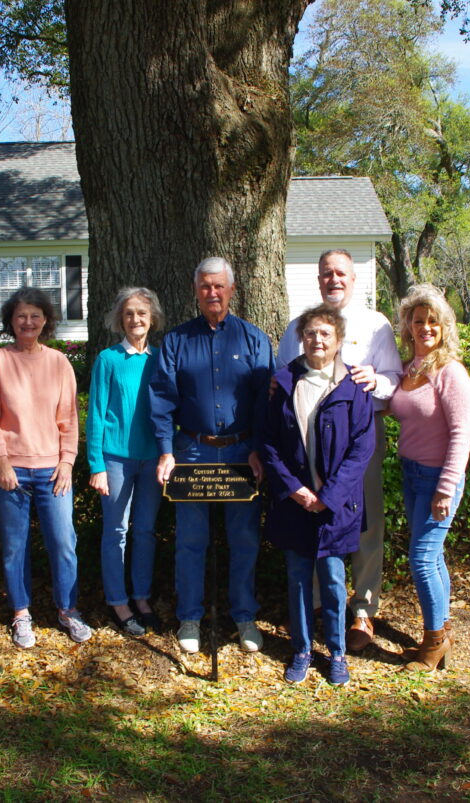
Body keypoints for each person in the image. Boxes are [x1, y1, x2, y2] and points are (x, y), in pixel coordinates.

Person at [276, 249, 401, 651]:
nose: (334, 279)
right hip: (309, 438)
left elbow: (395, 380)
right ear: (318, 280)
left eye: (341, 273)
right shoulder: (298, 327)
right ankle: (315, 603)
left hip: (361, 438)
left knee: (366, 521)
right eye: (327, 273)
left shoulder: (375, 325)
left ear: (353, 278)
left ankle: (363, 609)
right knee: (312, 515)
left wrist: (376, 380)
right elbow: (282, 380)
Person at [150, 257, 274, 654]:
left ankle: (244, 616)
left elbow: (265, 403)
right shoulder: (176, 341)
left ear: (232, 289)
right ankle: (189, 616)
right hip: (191, 451)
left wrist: (258, 449)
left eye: (219, 286)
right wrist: (165, 451)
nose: (212, 293)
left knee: (244, 539)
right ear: (196, 291)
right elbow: (162, 399)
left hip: (241, 452)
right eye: (205, 286)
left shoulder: (254, 340)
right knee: (191, 540)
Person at [261, 305, 375, 685]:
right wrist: (294, 489)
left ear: (339, 340)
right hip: (295, 504)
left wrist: (330, 494)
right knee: (297, 579)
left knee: (332, 579)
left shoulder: (353, 387)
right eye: (310, 333)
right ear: (301, 338)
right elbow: (269, 443)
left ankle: (337, 653)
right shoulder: (283, 383)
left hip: (335, 506)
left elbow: (362, 447)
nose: (317, 340)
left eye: (325, 333)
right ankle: (302, 650)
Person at [0, 287, 90, 648]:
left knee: (63, 542)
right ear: (11, 321)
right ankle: (21, 613)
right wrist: (0, 460)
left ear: (46, 321)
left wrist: (67, 462)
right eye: (21, 316)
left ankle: (68, 610)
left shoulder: (59, 363)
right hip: (11, 471)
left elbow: (68, 419)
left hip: (52, 471)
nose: (28, 322)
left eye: (35, 316)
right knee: (15, 546)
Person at [389, 283, 470, 672]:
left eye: (433, 322)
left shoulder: (450, 373)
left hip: (439, 479)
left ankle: (434, 643)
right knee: (432, 556)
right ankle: (442, 632)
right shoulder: (410, 368)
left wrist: (445, 488)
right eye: (418, 320)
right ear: (408, 326)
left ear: (444, 328)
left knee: (422, 560)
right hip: (412, 474)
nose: (425, 328)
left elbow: (462, 434)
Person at [86, 287, 166, 635]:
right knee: (116, 531)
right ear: (121, 319)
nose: (136, 319)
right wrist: (96, 465)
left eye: (142, 313)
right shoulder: (108, 359)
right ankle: (118, 601)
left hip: (152, 459)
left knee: (145, 531)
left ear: (153, 319)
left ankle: (142, 597)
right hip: (116, 460)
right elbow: (95, 414)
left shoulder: (160, 358)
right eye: (129, 313)